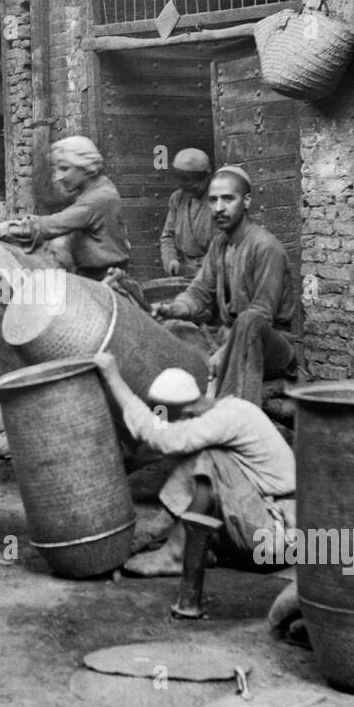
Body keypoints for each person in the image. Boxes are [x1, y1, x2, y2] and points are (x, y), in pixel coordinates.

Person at [92, 353, 296, 617]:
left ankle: (176, 554)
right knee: (204, 456)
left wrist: (113, 376)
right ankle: (181, 545)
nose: (164, 421)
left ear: (187, 412)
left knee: (207, 459)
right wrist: (145, 535)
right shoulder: (224, 409)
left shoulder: (225, 420)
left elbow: (161, 439)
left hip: (276, 543)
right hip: (265, 529)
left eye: (168, 418)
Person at [153, 165, 296, 406]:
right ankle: (174, 410)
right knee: (172, 329)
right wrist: (172, 308)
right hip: (228, 338)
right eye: (213, 200)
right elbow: (199, 293)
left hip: (270, 347)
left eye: (228, 199)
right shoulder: (219, 245)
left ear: (247, 201)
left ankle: (231, 414)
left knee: (248, 322)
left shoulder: (265, 247)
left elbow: (261, 315)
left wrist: (226, 351)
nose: (219, 208)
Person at [0, 135, 130, 279]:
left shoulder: (98, 199)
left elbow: (49, 225)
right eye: (57, 169)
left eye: (65, 169)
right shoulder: (96, 187)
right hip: (90, 274)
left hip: (103, 280)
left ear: (85, 167)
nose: (58, 177)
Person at [159, 148, 214, 278]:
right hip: (184, 271)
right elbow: (168, 236)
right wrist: (171, 260)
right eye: (184, 187)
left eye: (193, 187)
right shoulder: (177, 199)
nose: (188, 192)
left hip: (212, 271)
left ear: (207, 176)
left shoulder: (218, 200)